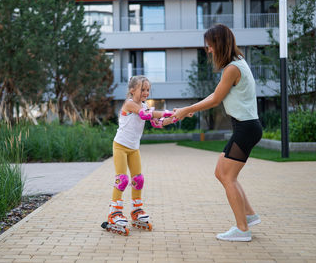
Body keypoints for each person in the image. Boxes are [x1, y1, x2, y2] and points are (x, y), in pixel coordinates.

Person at [172, 24, 262, 242]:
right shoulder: (237, 63)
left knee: (227, 176)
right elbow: (216, 94)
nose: (209, 50)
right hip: (246, 127)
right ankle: (249, 215)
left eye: (210, 46)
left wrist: (186, 109)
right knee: (222, 173)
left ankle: (242, 229)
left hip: (245, 128)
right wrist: (190, 108)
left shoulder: (232, 68)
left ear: (219, 44)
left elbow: (215, 99)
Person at [101, 75, 178, 236]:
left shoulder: (144, 105)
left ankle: (136, 211)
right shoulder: (129, 104)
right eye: (142, 89)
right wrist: (167, 112)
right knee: (122, 179)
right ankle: (114, 213)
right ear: (132, 90)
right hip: (120, 147)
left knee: (138, 180)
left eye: (148, 89)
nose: (146, 92)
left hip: (134, 149)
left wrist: (176, 116)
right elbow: (145, 115)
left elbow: (158, 123)